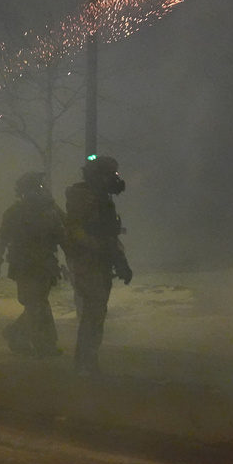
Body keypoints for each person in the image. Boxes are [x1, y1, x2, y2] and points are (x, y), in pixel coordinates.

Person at [64, 155, 133, 374]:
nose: (115, 178)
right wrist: (97, 247)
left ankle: (88, 360)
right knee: (93, 313)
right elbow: (75, 229)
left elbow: (110, 237)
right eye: (110, 174)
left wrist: (121, 262)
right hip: (86, 262)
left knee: (96, 313)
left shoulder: (102, 199)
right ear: (99, 176)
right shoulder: (84, 198)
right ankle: (85, 362)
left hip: (99, 263)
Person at [0, 171, 66, 359]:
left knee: (37, 304)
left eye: (39, 187)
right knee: (35, 305)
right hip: (24, 266)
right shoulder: (15, 212)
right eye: (33, 188)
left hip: (45, 265)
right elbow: (2, 239)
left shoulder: (51, 210)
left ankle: (17, 332)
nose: (37, 192)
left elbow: (65, 234)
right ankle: (43, 344)